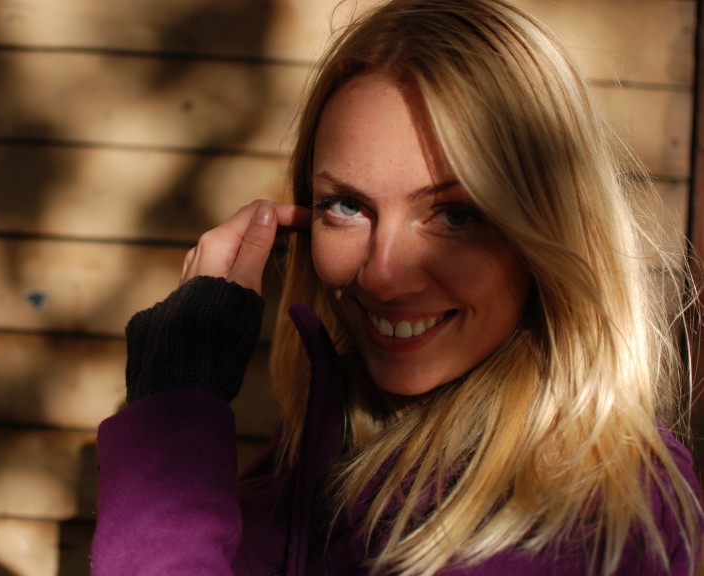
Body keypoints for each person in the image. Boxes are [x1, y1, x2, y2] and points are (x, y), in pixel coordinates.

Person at [91, 0, 703, 574]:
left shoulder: (593, 504)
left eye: (456, 215)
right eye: (347, 205)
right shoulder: (334, 428)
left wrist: (171, 415)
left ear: (549, 230)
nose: (383, 275)